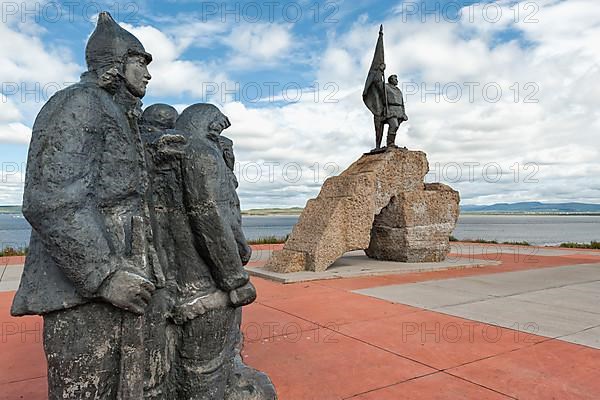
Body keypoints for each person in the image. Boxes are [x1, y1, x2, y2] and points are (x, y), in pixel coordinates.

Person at [11, 12, 164, 399]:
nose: (147, 74)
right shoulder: (79, 104)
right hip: (84, 292)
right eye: (139, 62)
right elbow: (51, 199)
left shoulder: (117, 113)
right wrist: (105, 275)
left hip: (125, 279)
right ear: (115, 65)